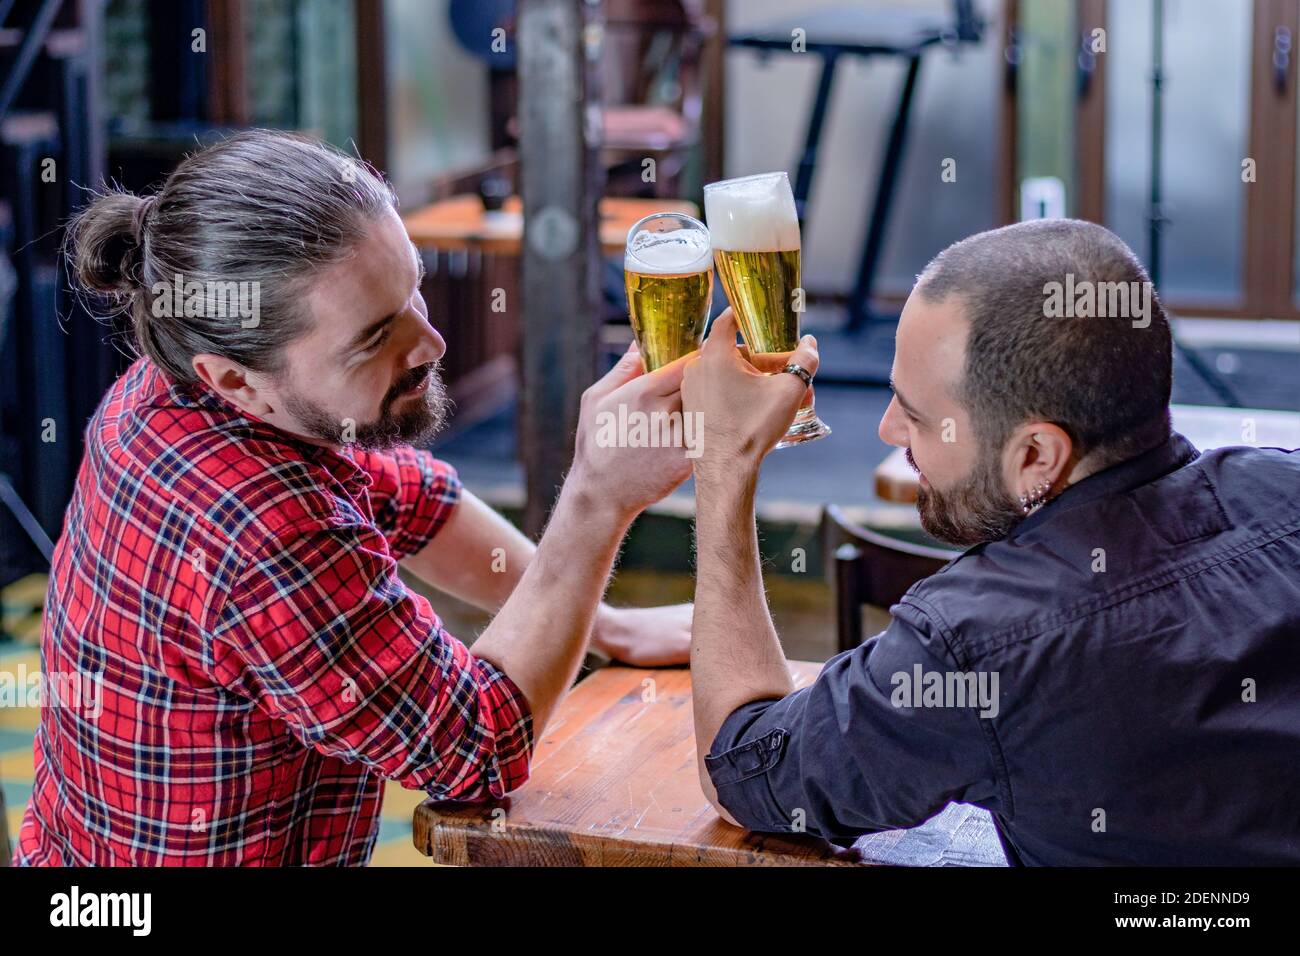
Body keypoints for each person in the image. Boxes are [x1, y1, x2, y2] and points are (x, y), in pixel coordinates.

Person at [16, 130, 692, 865]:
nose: (430, 342)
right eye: (374, 339)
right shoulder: (265, 530)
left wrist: (609, 627)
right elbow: (477, 746)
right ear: (235, 379)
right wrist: (597, 498)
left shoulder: (169, 383)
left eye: (414, 289)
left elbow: (414, 501)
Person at [683, 218, 1300, 865]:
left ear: (1036, 453)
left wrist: (722, 464)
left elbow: (739, 772)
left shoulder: (978, 643)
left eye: (916, 415)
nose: (890, 430)